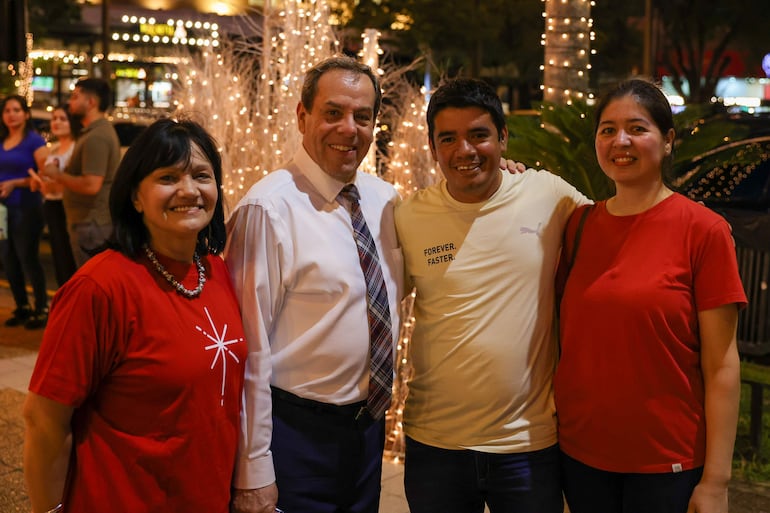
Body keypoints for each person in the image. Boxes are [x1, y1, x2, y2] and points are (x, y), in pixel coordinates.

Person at [22, 118, 248, 513]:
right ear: (136, 197)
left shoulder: (216, 271)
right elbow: (44, 421)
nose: (189, 190)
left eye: (201, 175)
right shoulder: (100, 287)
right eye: (168, 177)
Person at [394, 77, 589, 513]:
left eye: (479, 135)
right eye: (449, 138)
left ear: (502, 137)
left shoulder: (548, 194)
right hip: (435, 443)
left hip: (527, 446)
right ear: (433, 147)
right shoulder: (408, 216)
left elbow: (619, 230)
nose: (464, 150)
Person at [554, 78, 747, 513]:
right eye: (607, 129)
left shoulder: (704, 231)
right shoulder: (578, 225)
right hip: (580, 455)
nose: (620, 141)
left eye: (637, 128)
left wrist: (716, 480)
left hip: (667, 463)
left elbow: (721, 365)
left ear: (668, 139)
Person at [225, 55, 402, 513]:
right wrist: (253, 469)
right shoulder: (268, 209)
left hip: (366, 432)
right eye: (333, 113)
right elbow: (249, 350)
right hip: (295, 435)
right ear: (302, 116)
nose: (350, 128)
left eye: (363, 116)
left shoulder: (386, 201)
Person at [41, 77, 121, 267]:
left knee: (91, 283)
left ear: (91, 102)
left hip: (92, 225)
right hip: (88, 223)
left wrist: (55, 173)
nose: (70, 102)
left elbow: (91, 185)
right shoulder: (92, 133)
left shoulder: (97, 136)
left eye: (76, 97)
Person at [0, 94, 49, 329]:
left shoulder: (34, 142)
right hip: (3, 210)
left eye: (16, 110)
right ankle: (22, 306)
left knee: (27, 257)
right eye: (7, 110)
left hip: (26, 207)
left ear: (26, 114)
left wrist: (15, 183)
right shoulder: (2, 141)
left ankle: (41, 308)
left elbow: (43, 176)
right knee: (7, 258)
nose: (11, 114)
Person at [29, 105, 80, 286]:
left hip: (68, 206)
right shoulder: (54, 148)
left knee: (70, 257)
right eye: (54, 118)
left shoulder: (77, 148)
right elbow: (45, 176)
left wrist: (54, 184)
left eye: (62, 119)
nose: (56, 122)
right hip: (51, 205)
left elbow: (73, 180)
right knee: (59, 255)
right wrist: (37, 181)